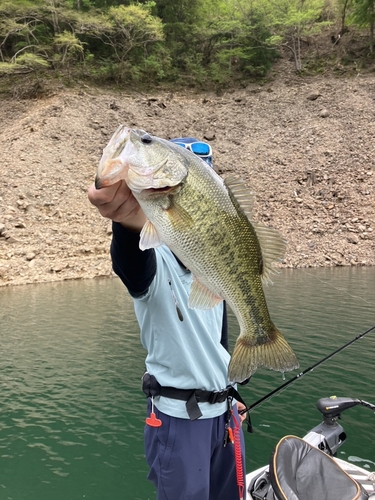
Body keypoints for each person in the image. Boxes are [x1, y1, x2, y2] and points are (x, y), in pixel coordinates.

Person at [88, 136, 247, 500]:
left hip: (225, 414)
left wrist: (230, 392)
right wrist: (127, 223)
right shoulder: (152, 262)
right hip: (179, 420)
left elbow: (214, 341)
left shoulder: (213, 268)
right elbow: (130, 261)